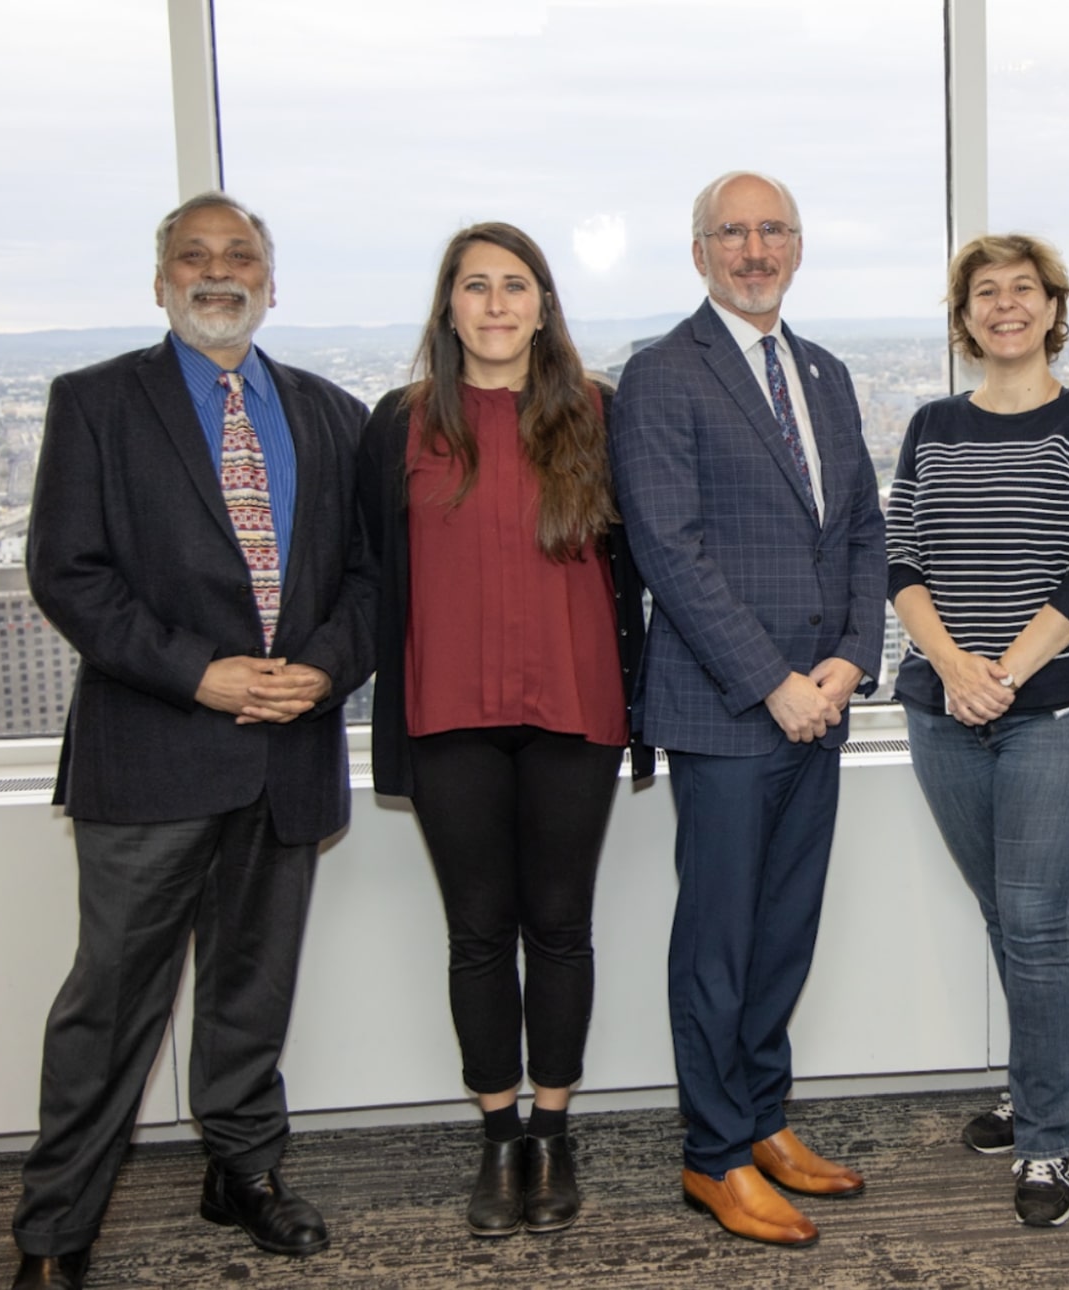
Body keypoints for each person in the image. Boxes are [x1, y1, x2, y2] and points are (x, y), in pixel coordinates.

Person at [11, 192, 375, 1290]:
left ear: (273, 279)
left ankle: (242, 1171)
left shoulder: (330, 413)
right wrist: (198, 673)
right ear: (160, 277)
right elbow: (65, 571)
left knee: (251, 989)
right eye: (194, 255)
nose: (220, 272)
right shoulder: (97, 402)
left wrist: (323, 669)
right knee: (111, 1005)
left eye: (242, 256)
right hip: (155, 749)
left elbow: (368, 578)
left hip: (287, 751)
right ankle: (55, 1229)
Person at [609, 170, 886, 1248]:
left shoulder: (823, 371)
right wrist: (775, 682)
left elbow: (862, 527)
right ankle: (713, 1154)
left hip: (819, 704)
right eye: (734, 231)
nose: (755, 248)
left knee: (784, 932)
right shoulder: (663, 375)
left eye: (773, 230)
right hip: (731, 711)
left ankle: (764, 1119)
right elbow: (668, 552)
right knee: (718, 941)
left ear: (798, 248)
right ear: (700, 252)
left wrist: (849, 665)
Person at [358, 223, 649, 1238]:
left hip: (577, 709)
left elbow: (647, 560)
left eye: (513, 286)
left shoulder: (598, 415)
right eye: (473, 286)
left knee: (560, 926)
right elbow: (366, 574)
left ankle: (555, 1130)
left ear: (542, 304)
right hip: (447, 715)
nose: (494, 304)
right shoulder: (398, 424)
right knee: (479, 933)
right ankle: (497, 1139)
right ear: (447, 307)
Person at [886, 233, 1069, 1226]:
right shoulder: (931, 425)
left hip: (1065, 707)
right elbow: (900, 556)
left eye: (1022, 290)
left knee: (1036, 923)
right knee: (1007, 914)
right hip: (946, 711)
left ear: (1051, 307)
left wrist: (1005, 674)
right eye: (984, 293)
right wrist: (955, 671)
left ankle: (1043, 1142)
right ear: (965, 317)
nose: (1004, 306)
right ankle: (1038, 1082)